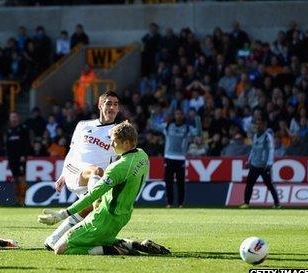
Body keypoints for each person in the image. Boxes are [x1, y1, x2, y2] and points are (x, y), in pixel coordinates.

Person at [38, 121, 170, 256]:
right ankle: (133, 244)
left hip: (103, 218)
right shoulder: (142, 155)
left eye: (114, 141)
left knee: (60, 249)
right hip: (123, 216)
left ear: (126, 144)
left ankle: (115, 250)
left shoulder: (119, 167)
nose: (111, 145)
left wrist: (63, 214)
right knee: (99, 238)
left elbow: (92, 195)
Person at [44, 90, 119, 250]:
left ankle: (53, 240)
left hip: (95, 182)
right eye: (108, 103)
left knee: (87, 209)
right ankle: (97, 200)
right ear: (100, 105)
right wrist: (63, 174)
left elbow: (119, 160)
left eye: (115, 104)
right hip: (76, 172)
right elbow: (72, 151)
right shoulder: (83, 125)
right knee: (96, 171)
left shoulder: (118, 133)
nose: (112, 107)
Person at [149, 108, 202, 208]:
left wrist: (197, 119)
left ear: (183, 116)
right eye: (177, 114)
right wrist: (152, 115)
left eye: (181, 114)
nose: (179, 116)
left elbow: (198, 132)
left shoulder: (187, 128)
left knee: (180, 183)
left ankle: (181, 203)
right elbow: (153, 126)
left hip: (180, 158)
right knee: (168, 182)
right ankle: (169, 203)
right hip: (169, 157)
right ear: (175, 115)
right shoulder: (168, 126)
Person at [240, 118, 281, 208]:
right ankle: (246, 203)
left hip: (264, 166)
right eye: (257, 124)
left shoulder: (267, 136)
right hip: (254, 165)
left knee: (269, 184)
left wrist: (269, 163)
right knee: (249, 183)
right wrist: (249, 161)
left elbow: (271, 150)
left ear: (264, 126)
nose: (258, 126)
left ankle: (277, 204)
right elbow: (253, 150)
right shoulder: (255, 136)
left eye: (260, 124)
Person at [5, 112, 31, 206]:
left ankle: (23, 201)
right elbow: (7, 146)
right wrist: (8, 157)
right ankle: (17, 200)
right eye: (12, 117)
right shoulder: (9, 131)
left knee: (21, 178)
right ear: (10, 119)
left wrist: (24, 155)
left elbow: (27, 143)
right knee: (15, 179)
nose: (13, 118)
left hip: (21, 158)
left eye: (15, 116)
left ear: (18, 118)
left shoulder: (23, 129)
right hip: (12, 159)